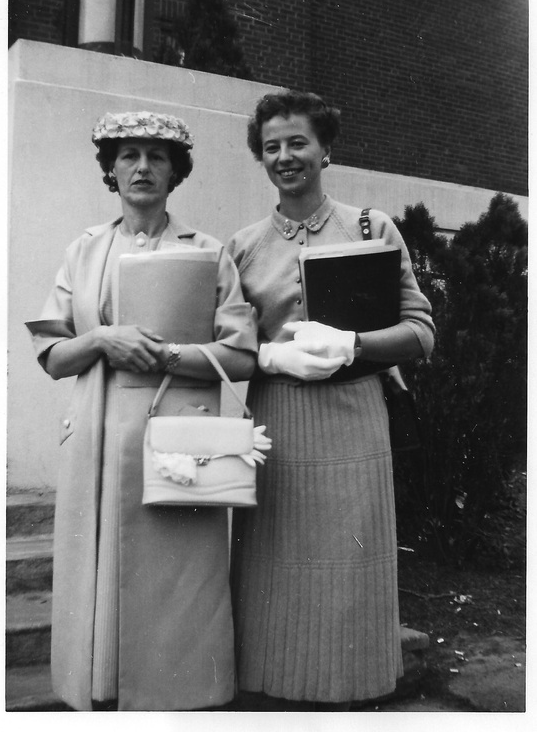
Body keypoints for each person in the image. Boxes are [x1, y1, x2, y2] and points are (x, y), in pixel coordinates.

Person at [26, 110, 257, 711]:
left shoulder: (208, 252)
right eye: (129, 155)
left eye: (158, 157)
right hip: (98, 438)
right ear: (111, 169)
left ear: (176, 172)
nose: (143, 167)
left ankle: (181, 697)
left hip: (180, 439)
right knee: (99, 573)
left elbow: (241, 355)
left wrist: (169, 353)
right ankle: (101, 692)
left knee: (178, 578)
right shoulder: (84, 250)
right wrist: (104, 339)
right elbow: (52, 354)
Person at [228, 90, 435, 711]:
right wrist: (268, 356)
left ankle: (345, 699)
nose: (285, 156)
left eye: (298, 142)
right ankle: (271, 697)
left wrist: (355, 344)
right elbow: (224, 346)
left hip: (353, 420)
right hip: (278, 422)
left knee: (349, 568)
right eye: (272, 147)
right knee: (273, 566)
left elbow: (421, 331)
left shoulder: (371, 228)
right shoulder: (242, 246)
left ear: (325, 150)